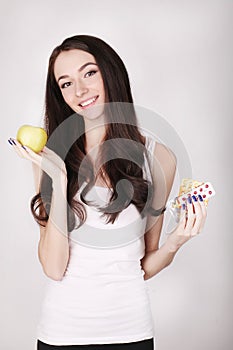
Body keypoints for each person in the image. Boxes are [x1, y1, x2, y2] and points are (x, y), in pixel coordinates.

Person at [8, 35, 207, 350]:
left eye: (89, 73)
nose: (80, 91)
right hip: (61, 334)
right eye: (66, 83)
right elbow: (54, 267)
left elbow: (144, 264)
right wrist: (58, 183)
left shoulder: (159, 157)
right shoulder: (50, 157)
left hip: (132, 333)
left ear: (111, 73)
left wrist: (177, 241)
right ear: (59, 95)